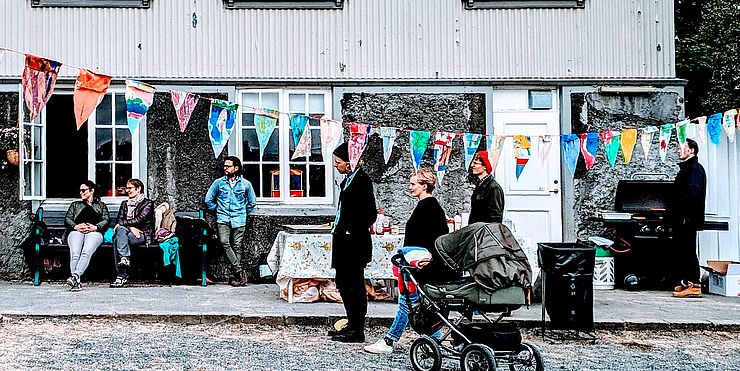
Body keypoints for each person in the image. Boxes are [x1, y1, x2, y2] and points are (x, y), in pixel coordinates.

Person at [364, 169, 456, 354]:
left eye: (413, 184)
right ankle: (436, 338)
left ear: (424, 186)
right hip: (417, 262)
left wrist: (420, 259)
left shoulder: (428, 207)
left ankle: (389, 341)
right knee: (417, 302)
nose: (410, 187)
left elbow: (433, 239)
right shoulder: (428, 206)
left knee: (407, 302)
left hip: (419, 264)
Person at [328, 142, 377, 343]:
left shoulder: (362, 182)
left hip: (353, 244)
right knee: (343, 284)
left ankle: (357, 329)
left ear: (349, 163)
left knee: (354, 285)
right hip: (343, 242)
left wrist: (350, 230)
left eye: (338, 162)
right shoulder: (348, 181)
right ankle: (351, 322)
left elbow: (370, 214)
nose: (335, 166)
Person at [205, 156, 257, 286]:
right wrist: (217, 209)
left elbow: (252, 202)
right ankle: (239, 271)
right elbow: (208, 200)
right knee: (224, 242)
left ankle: (237, 278)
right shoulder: (219, 183)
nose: (225, 168)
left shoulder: (246, 184)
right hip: (223, 218)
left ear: (236, 168)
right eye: (224, 166)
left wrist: (243, 212)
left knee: (237, 246)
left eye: (228, 166)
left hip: (239, 219)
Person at [668, 138, 706, 298]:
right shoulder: (686, 169)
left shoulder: (695, 169)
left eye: (682, 147)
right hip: (681, 218)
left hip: (687, 218)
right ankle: (685, 282)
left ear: (691, 150)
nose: (678, 150)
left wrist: (682, 213)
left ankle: (695, 285)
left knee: (689, 251)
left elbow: (693, 194)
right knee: (682, 251)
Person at [64, 180, 110, 292]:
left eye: (84, 190)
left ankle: (75, 277)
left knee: (86, 252)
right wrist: (76, 226)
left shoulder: (101, 205)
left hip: (94, 232)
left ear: (92, 191)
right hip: (76, 231)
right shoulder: (75, 205)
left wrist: (95, 227)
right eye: (80, 190)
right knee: (75, 253)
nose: (81, 192)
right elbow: (67, 219)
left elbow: (106, 220)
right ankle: (76, 279)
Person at [111, 178, 154, 288]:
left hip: (142, 234)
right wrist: (130, 227)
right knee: (118, 237)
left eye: (130, 188)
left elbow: (140, 220)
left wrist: (127, 226)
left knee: (118, 238)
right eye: (127, 188)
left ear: (138, 189)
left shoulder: (148, 203)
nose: (127, 190)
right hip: (126, 233)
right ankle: (124, 259)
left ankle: (121, 276)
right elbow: (119, 221)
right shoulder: (124, 204)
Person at [468, 150, 505, 224]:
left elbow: (495, 217)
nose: (472, 165)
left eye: (476, 163)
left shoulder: (493, 188)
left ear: (485, 166)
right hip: (477, 230)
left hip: (485, 232)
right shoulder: (480, 186)